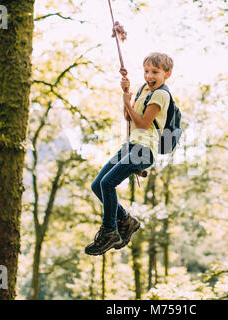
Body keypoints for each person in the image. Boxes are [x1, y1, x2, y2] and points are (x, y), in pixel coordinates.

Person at [85, 52, 174, 255]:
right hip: (131, 146)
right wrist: (127, 95)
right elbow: (129, 116)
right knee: (97, 184)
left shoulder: (162, 94)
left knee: (108, 183)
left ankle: (110, 231)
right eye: (146, 71)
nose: (149, 76)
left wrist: (128, 102)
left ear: (167, 74)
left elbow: (142, 124)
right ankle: (125, 219)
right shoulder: (144, 89)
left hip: (144, 150)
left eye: (155, 72)